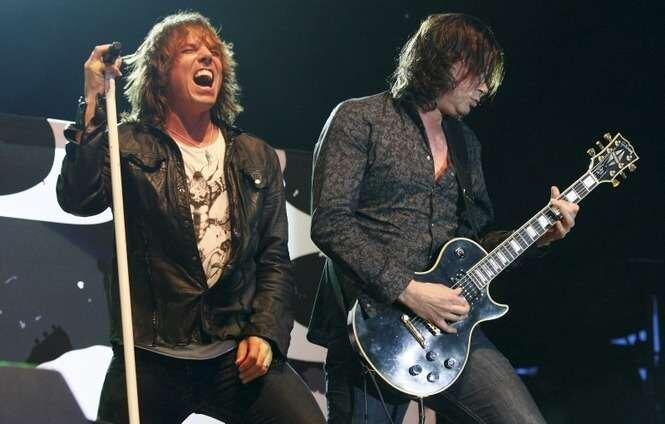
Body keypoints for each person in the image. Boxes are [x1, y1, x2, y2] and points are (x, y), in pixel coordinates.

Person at [308, 13, 580, 424]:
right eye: (480, 74)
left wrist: (540, 236)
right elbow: (331, 223)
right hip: (371, 328)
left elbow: (475, 245)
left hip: (451, 334)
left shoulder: (466, 144)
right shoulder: (359, 118)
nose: (485, 88)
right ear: (448, 61)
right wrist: (409, 291)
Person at [57, 11, 324, 424]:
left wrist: (266, 332)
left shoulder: (255, 155)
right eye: (189, 50)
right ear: (161, 73)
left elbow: (273, 259)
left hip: (231, 355)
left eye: (214, 51)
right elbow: (78, 198)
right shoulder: (127, 145)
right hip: (150, 359)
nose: (207, 57)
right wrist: (92, 100)